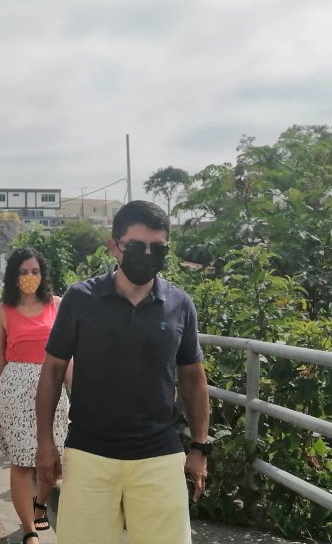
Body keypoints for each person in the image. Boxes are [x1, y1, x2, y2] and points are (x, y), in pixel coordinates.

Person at [35, 201, 210, 544]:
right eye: (136, 246)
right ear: (114, 246)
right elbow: (53, 371)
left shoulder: (179, 304)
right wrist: (45, 444)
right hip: (89, 453)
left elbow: (192, 377)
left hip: (160, 455)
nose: (148, 254)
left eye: (158, 248)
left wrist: (200, 447)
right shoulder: (80, 299)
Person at [0, 248, 70, 544]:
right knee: (21, 462)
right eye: (23, 272)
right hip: (14, 391)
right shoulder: (1, 312)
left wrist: (79, 398)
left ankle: (40, 504)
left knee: (51, 462)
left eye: (35, 271)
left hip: (53, 391)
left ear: (43, 274)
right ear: (13, 276)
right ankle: (28, 529)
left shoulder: (58, 306)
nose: (30, 277)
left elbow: (69, 360)